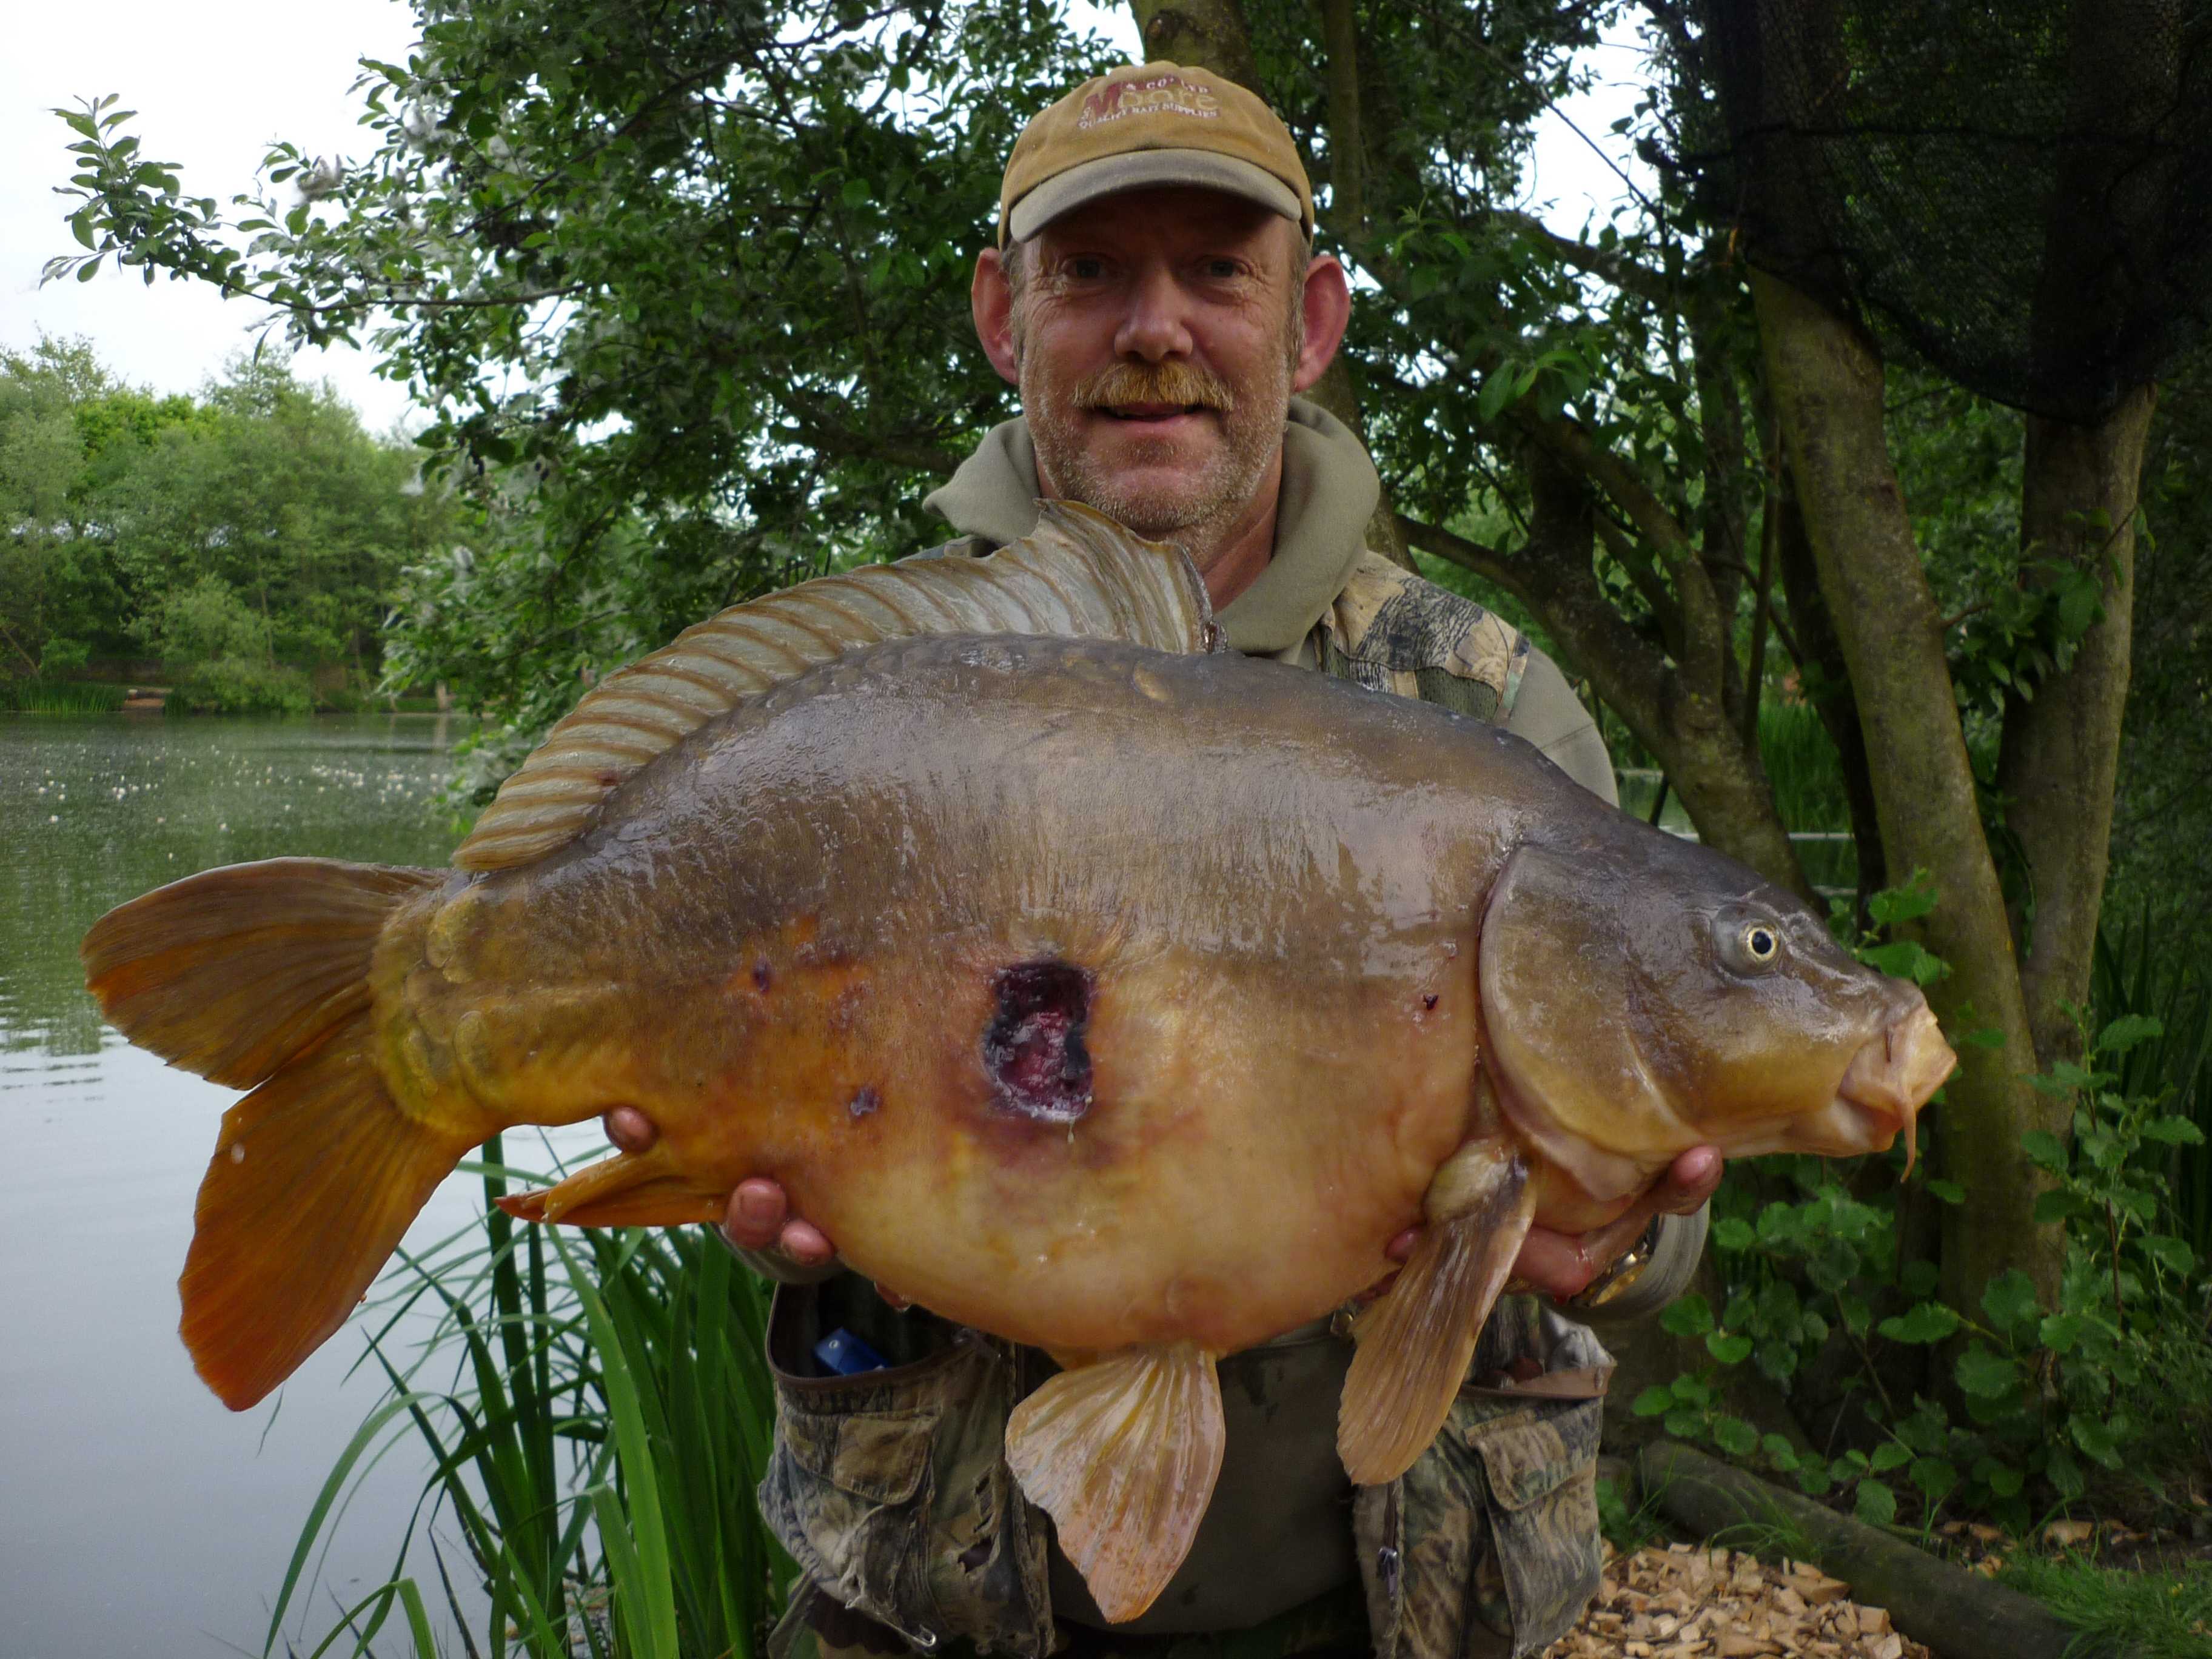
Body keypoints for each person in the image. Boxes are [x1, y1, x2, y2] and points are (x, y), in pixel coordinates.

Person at [605, 59, 1718, 1659]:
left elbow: (1664, 1179)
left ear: (1311, 320)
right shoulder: (872, 704)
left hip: (1397, 1612)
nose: (1155, 330)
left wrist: (1621, 1236)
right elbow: (704, 1112)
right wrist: (740, 1180)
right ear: (1002, 315)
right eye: (1091, 274)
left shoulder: (1482, 701)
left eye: (1216, 270)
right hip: (935, 1612)